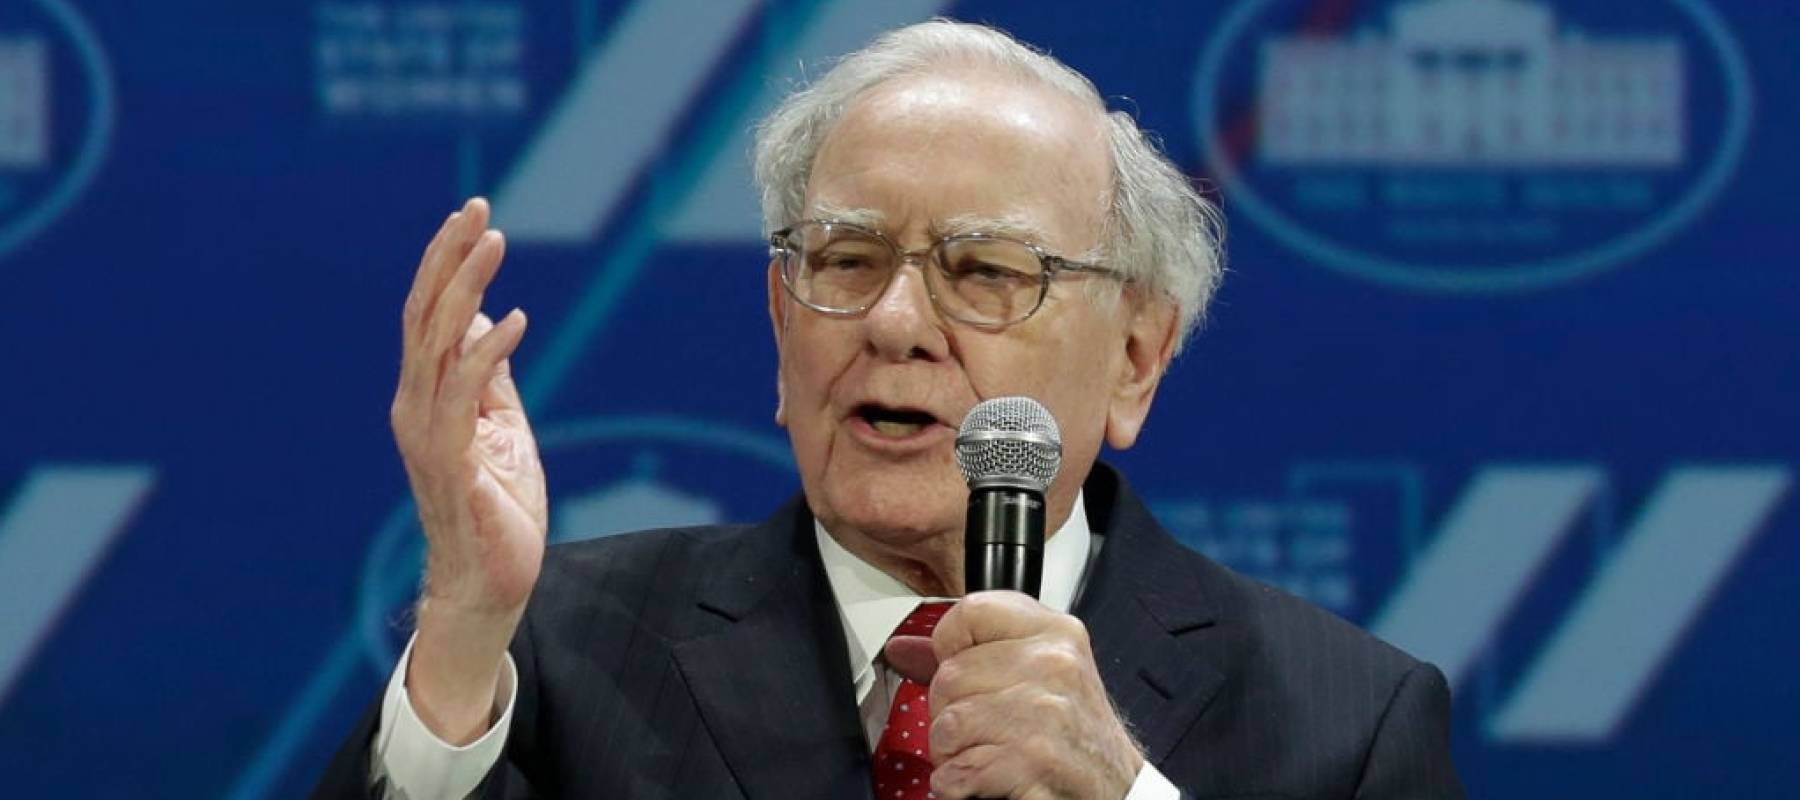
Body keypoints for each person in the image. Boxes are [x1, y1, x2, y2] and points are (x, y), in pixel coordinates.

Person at [314, 19, 1464, 800]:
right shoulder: (551, 651)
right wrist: (464, 623)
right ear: (782, 320)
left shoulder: (1346, 721)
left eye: (986, 271)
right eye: (849, 259)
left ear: (1135, 355)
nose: (896, 321)